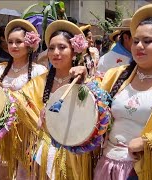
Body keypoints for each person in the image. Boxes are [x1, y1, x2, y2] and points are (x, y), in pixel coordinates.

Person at [73, 4, 152, 179]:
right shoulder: (114, 75)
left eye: (148, 41)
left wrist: (148, 141)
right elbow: (90, 98)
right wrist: (81, 82)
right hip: (106, 166)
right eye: (136, 41)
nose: (139, 46)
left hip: (144, 170)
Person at [6, 20, 94, 180]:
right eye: (51, 48)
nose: (55, 52)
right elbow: (15, 103)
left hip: (74, 155)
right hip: (40, 150)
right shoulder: (38, 82)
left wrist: (86, 79)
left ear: (74, 51)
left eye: (62, 47)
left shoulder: (85, 82)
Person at [0, 19, 47, 180]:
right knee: (2, 173)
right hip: (2, 129)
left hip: (27, 130)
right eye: (10, 42)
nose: (14, 46)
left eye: (19, 42)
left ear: (29, 44)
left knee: (27, 174)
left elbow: (42, 101)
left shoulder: (39, 71)